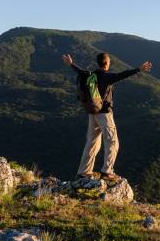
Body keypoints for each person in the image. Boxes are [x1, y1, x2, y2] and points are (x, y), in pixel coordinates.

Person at [62, 52, 152, 180]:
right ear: (106, 63)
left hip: (92, 113)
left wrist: (71, 64)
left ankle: (83, 172)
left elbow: (80, 71)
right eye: (109, 61)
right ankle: (107, 171)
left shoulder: (91, 75)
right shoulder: (107, 77)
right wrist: (139, 69)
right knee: (112, 142)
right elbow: (123, 75)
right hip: (104, 114)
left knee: (92, 143)